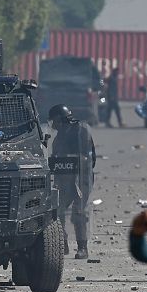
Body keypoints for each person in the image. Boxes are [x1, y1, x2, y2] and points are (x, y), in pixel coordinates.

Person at [48, 104, 97, 260]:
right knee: (58, 210)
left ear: (60, 119)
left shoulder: (81, 130)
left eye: (54, 121)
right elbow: (55, 160)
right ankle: (63, 242)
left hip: (81, 177)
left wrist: (73, 161)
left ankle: (83, 247)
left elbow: (88, 156)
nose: (53, 125)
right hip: (64, 178)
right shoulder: (58, 138)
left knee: (79, 211)